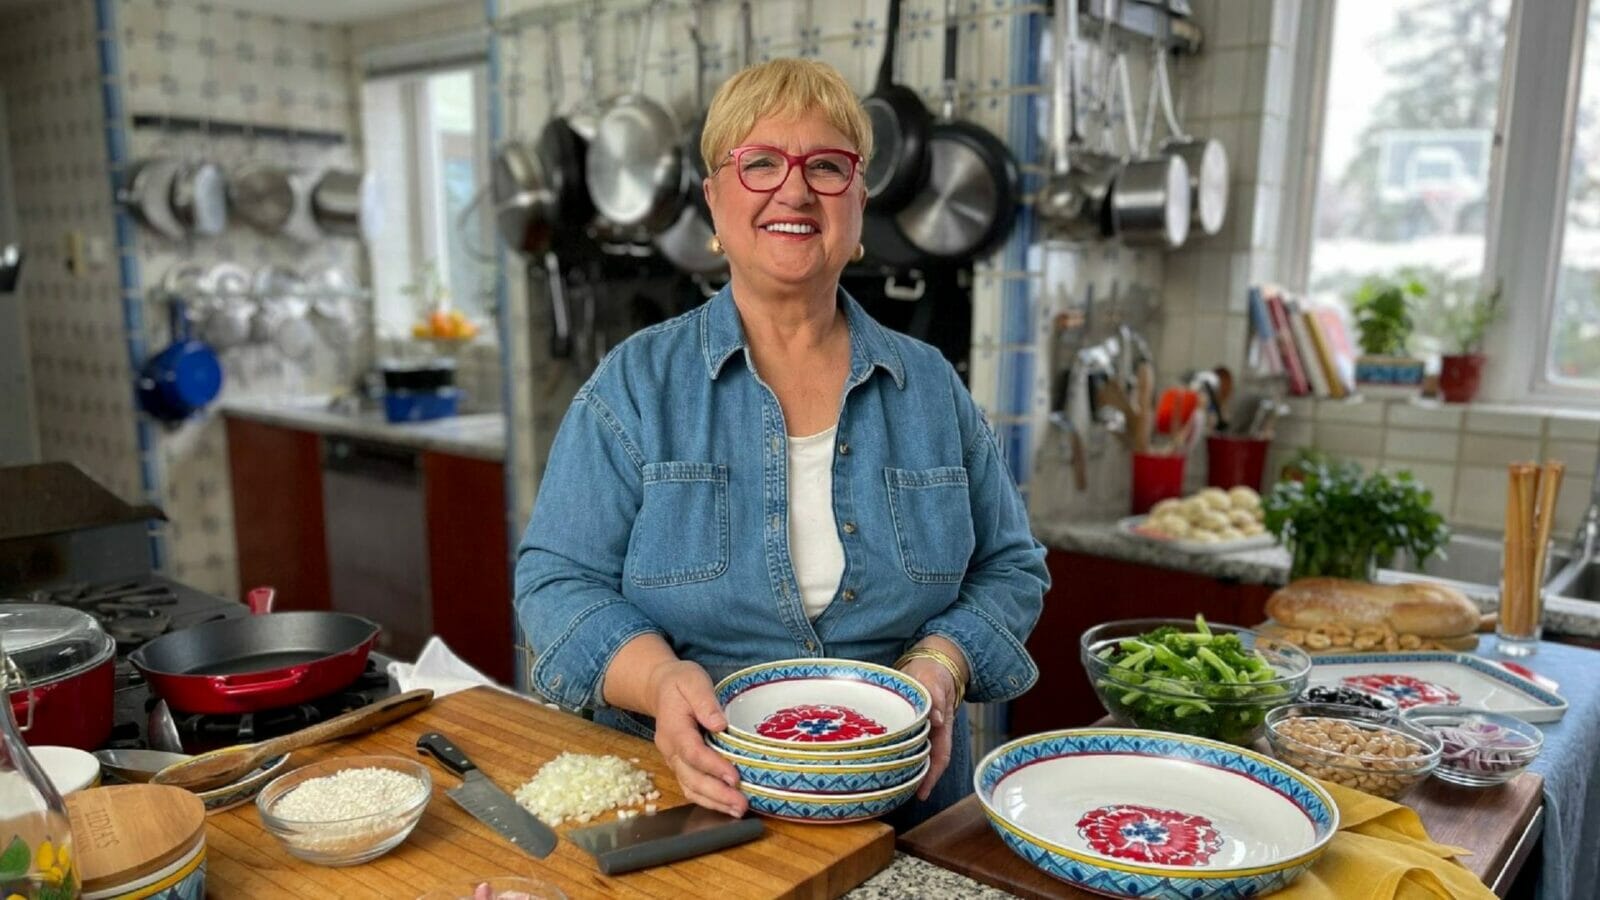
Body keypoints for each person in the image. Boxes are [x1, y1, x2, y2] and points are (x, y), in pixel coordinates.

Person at [515, 58, 1047, 829]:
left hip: (906, 813)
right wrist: (658, 680)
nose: (793, 191)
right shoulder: (636, 384)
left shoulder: (931, 386)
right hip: (692, 805)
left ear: (859, 202)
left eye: (827, 167)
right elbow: (556, 580)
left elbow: (1011, 567)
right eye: (759, 163)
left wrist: (941, 663)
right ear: (714, 199)